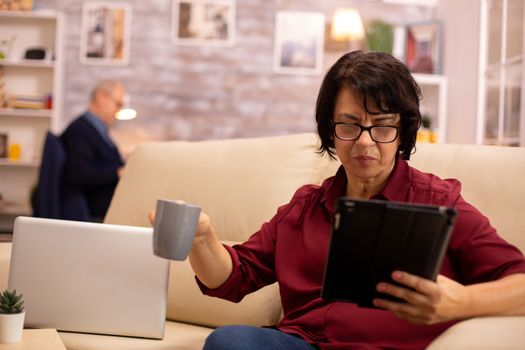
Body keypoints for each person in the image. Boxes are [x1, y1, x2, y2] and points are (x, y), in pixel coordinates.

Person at [151, 51, 525, 350]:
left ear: (403, 131)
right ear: (330, 129)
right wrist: (202, 239)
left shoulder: (438, 201)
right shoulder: (305, 208)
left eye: (381, 126)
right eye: (349, 125)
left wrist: (460, 303)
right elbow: (232, 278)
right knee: (230, 341)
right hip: (301, 344)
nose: (365, 142)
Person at [61, 80, 125, 222]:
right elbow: (79, 173)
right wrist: (118, 172)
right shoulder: (81, 130)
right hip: (94, 211)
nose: (118, 110)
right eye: (118, 104)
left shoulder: (96, 129)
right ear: (102, 97)